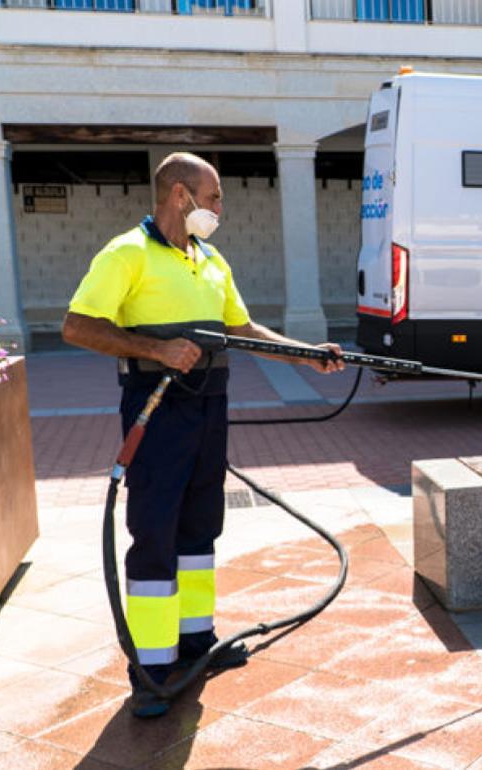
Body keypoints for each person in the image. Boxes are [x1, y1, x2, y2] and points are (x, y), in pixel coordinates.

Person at [62, 152, 343, 719]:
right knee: (154, 532)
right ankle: (151, 668)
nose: (219, 209)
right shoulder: (127, 254)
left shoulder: (211, 259)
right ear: (179, 196)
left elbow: (239, 329)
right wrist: (155, 348)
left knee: (199, 531)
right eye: (213, 198)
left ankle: (196, 646)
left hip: (210, 409)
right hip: (156, 409)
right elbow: (77, 326)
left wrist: (306, 357)